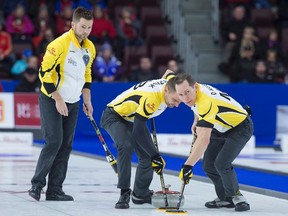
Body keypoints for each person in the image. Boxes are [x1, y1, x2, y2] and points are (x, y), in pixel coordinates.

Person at [28, 7, 96, 202]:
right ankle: (37, 185)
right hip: (51, 98)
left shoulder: (90, 48)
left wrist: (87, 99)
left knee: (66, 145)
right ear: (73, 25)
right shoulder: (59, 45)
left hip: (73, 101)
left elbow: (87, 74)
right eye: (83, 27)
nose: (86, 31)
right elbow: (44, 74)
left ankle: (55, 190)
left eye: (89, 27)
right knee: (54, 141)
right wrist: (57, 98)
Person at [100, 70, 181, 209]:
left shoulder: (172, 84)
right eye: (175, 100)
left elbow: (169, 73)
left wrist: (152, 156)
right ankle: (124, 192)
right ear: (166, 90)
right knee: (126, 146)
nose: (176, 105)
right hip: (114, 116)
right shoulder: (152, 98)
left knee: (147, 155)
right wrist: (155, 155)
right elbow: (138, 131)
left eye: (179, 101)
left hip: (133, 117)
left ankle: (140, 193)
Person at [173, 73, 253, 212]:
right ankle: (225, 198)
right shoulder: (195, 91)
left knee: (222, 164)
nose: (185, 98)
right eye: (180, 95)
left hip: (240, 127)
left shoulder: (206, 101)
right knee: (209, 165)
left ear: (195, 87)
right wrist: (196, 120)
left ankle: (237, 196)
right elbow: (195, 106)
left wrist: (188, 166)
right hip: (219, 126)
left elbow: (203, 139)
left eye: (187, 92)